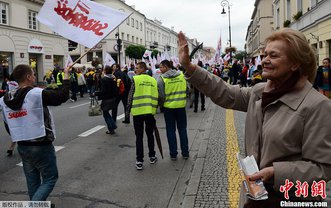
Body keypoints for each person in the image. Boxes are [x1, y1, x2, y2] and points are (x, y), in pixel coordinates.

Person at [178, 28, 331, 207]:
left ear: (295, 63)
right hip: (255, 197)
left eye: (273, 56)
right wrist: (189, 67)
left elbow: (323, 169)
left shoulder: (317, 105)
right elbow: (225, 93)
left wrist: (275, 172)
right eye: (265, 55)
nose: (265, 60)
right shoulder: (260, 91)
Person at [0, 64, 70, 202]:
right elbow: (61, 96)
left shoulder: (4, 100)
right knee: (50, 178)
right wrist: (66, 76)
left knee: (32, 181)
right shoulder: (36, 93)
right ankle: (34, 205)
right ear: (28, 77)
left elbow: (8, 125)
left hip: (22, 145)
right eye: (33, 73)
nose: (34, 76)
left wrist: (20, 133)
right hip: (41, 143)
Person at [126, 62, 158, 170]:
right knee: (150, 135)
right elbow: (156, 95)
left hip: (138, 112)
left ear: (143, 69)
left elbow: (130, 96)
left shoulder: (135, 79)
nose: (135, 70)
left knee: (139, 137)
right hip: (150, 112)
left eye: (137, 68)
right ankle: (152, 156)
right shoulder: (153, 80)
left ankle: (139, 160)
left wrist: (127, 112)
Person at [158, 59, 189, 160]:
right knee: (182, 130)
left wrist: (161, 105)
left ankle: (173, 154)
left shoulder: (161, 79)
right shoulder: (181, 75)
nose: (160, 69)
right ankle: (185, 153)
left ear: (166, 67)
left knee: (171, 131)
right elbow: (188, 89)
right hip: (181, 107)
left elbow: (161, 96)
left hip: (169, 108)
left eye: (161, 67)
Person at [96, 66, 118, 135]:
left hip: (106, 99)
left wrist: (95, 93)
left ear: (105, 71)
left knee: (105, 114)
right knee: (107, 113)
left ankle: (112, 128)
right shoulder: (113, 78)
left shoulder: (104, 79)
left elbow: (103, 91)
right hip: (113, 98)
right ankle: (112, 127)